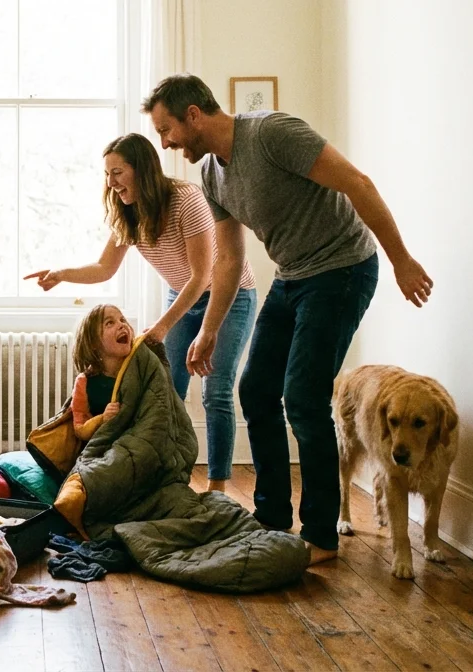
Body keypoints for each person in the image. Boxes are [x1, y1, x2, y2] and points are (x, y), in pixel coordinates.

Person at [143, 73, 433, 564]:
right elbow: (230, 261)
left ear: (194, 114)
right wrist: (209, 329)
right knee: (255, 389)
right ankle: (272, 517)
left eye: (166, 129)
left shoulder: (272, 134)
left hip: (342, 268)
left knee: (302, 396)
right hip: (292, 275)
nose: (166, 143)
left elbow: (357, 183)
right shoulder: (212, 175)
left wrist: (401, 259)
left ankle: (320, 534)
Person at [25, 133, 257, 492]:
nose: (111, 182)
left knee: (216, 391)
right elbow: (105, 268)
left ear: (143, 170)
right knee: (166, 391)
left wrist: (161, 327)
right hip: (182, 294)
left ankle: (217, 486)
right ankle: (169, 479)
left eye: (117, 172)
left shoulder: (185, 200)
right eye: (107, 174)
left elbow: (201, 276)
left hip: (228, 296)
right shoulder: (127, 212)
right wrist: (61, 275)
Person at [67, 304, 135, 442]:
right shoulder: (84, 382)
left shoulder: (139, 371)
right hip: (100, 448)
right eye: (109, 323)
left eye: (122, 319)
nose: (122, 325)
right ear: (93, 342)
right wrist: (102, 419)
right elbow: (80, 430)